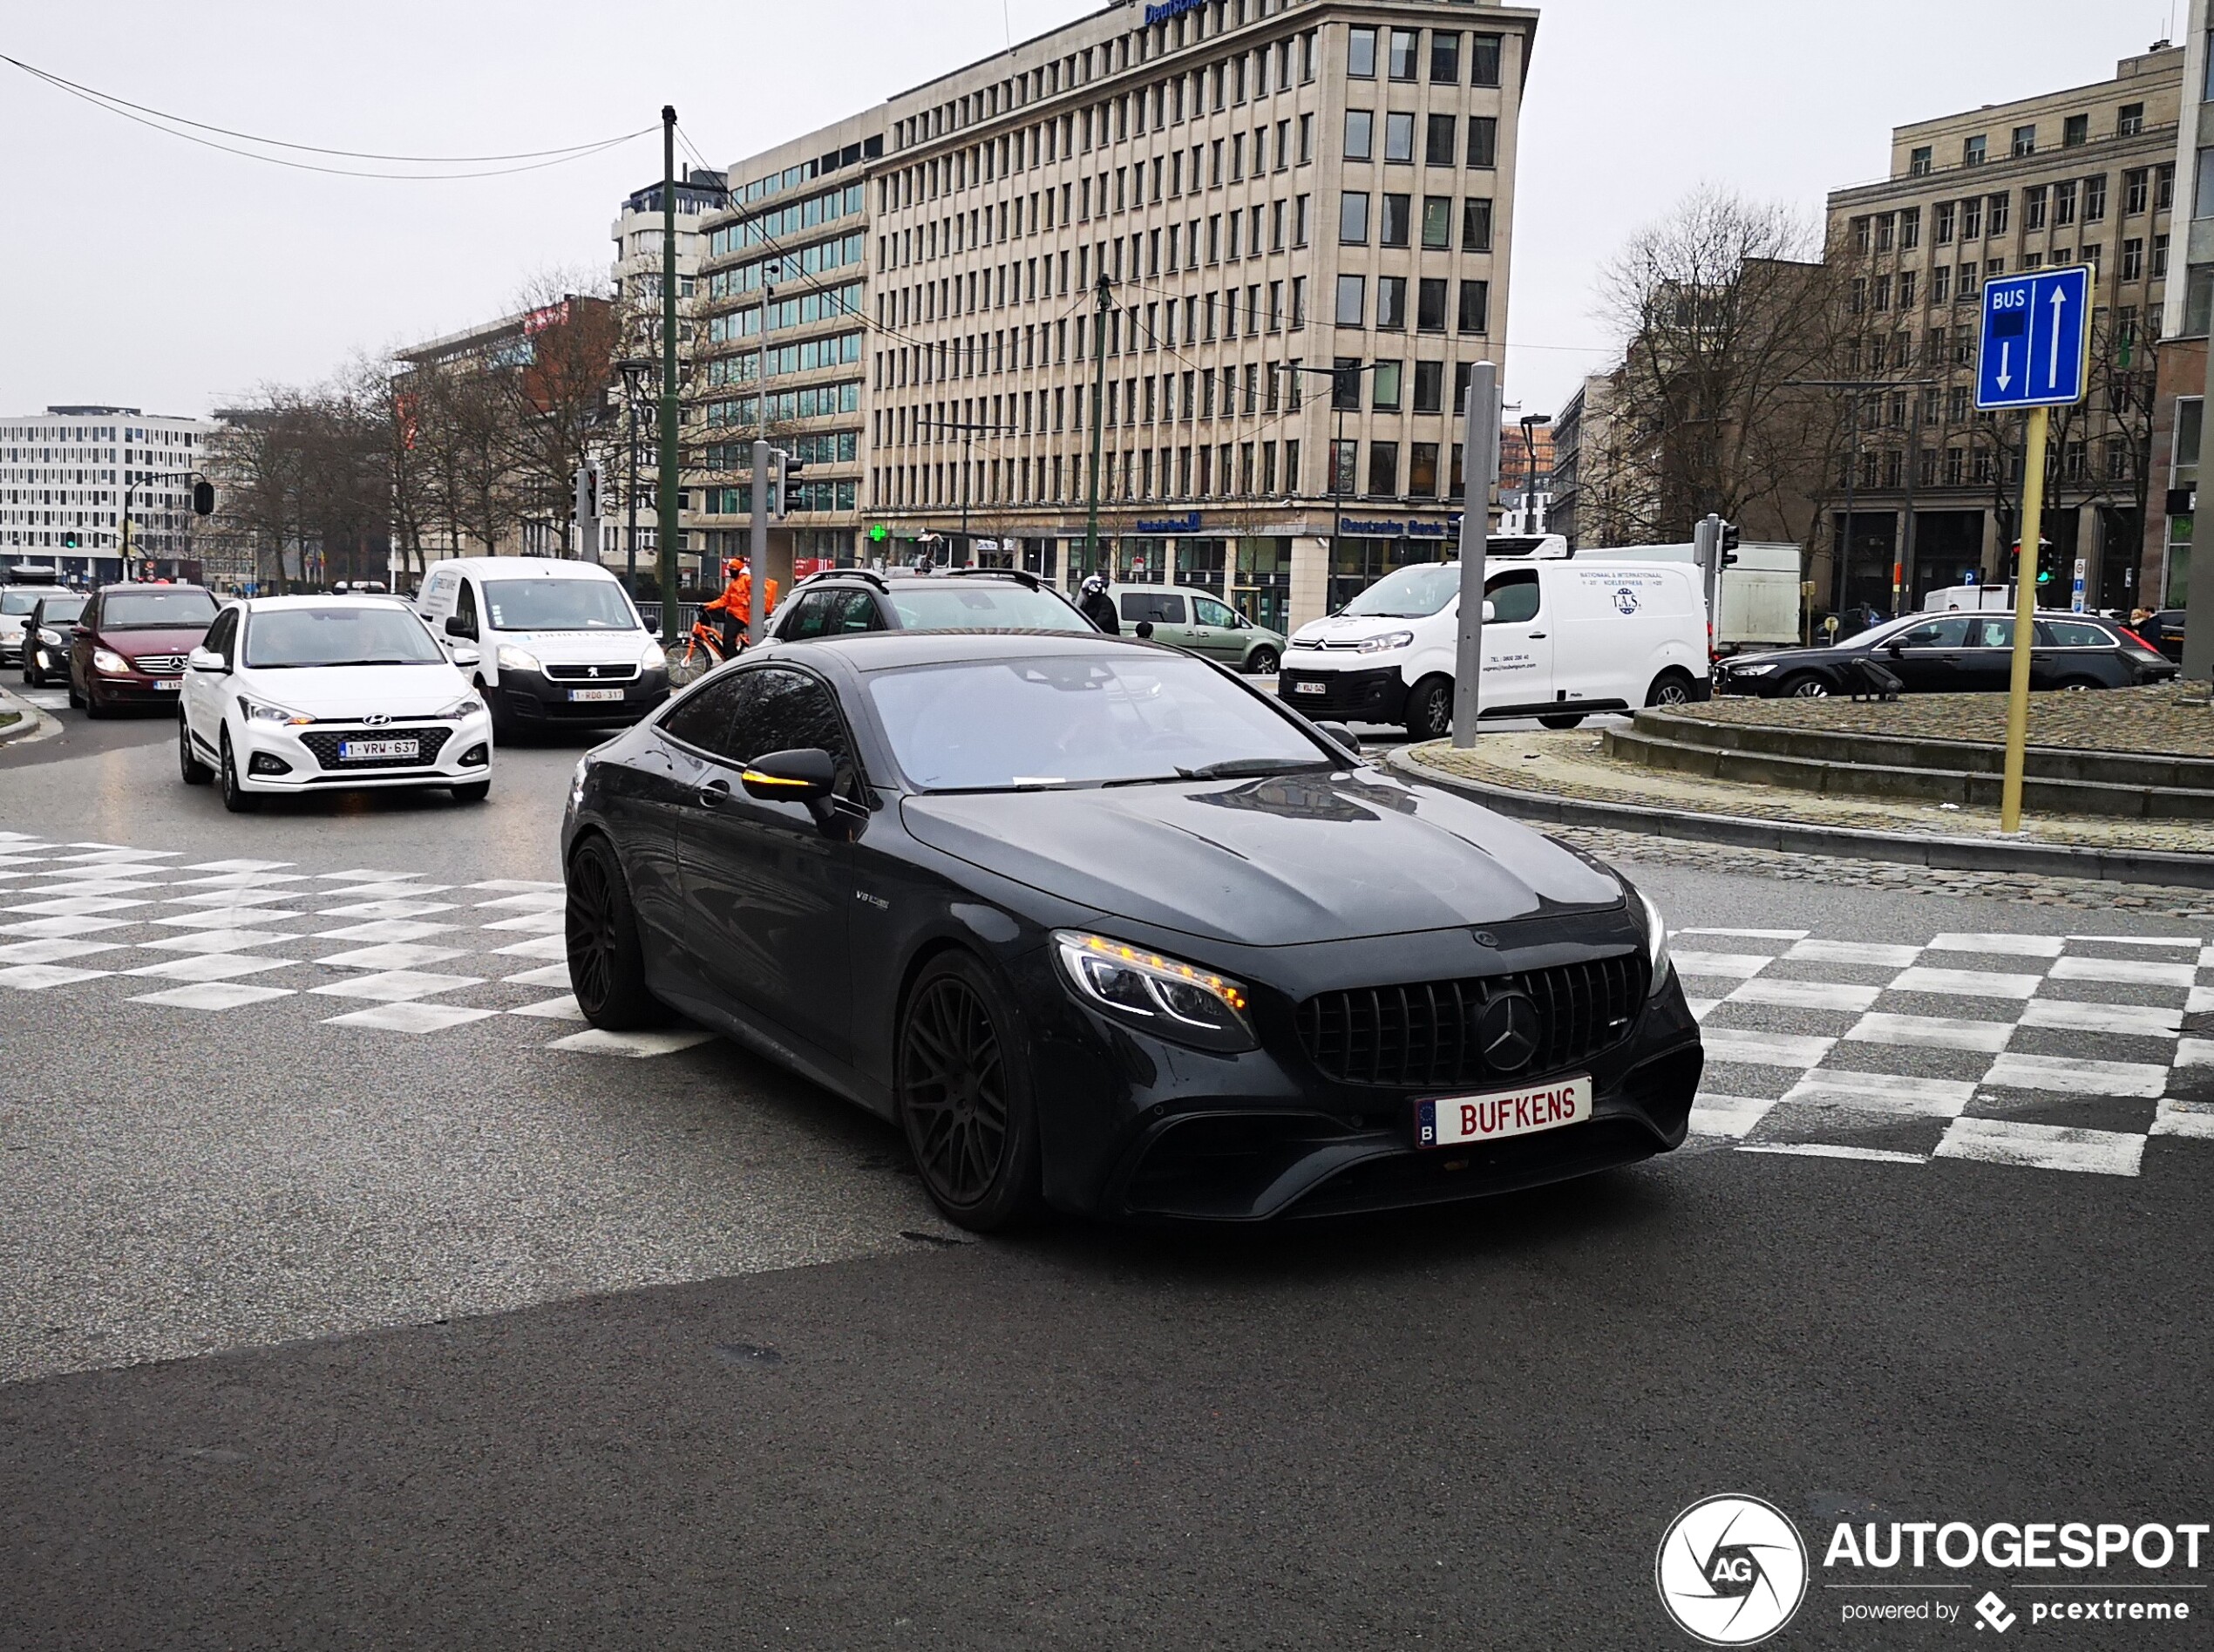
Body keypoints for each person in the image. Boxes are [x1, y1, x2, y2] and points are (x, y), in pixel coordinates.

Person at [703, 558, 778, 654]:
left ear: (739, 569)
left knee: (728, 639)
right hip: (735, 613)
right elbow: (724, 600)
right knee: (712, 616)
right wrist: (708, 606)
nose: (731, 571)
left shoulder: (747, 579)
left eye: (733, 569)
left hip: (741, 615)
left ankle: (732, 660)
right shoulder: (734, 583)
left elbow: (758, 593)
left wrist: (746, 601)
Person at [1078, 569, 1118, 634]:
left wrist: (1088, 627)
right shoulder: (1087, 604)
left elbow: (1101, 621)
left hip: (1106, 637)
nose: (1084, 595)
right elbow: (1079, 615)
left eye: (1085, 592)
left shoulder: (1105, 603)